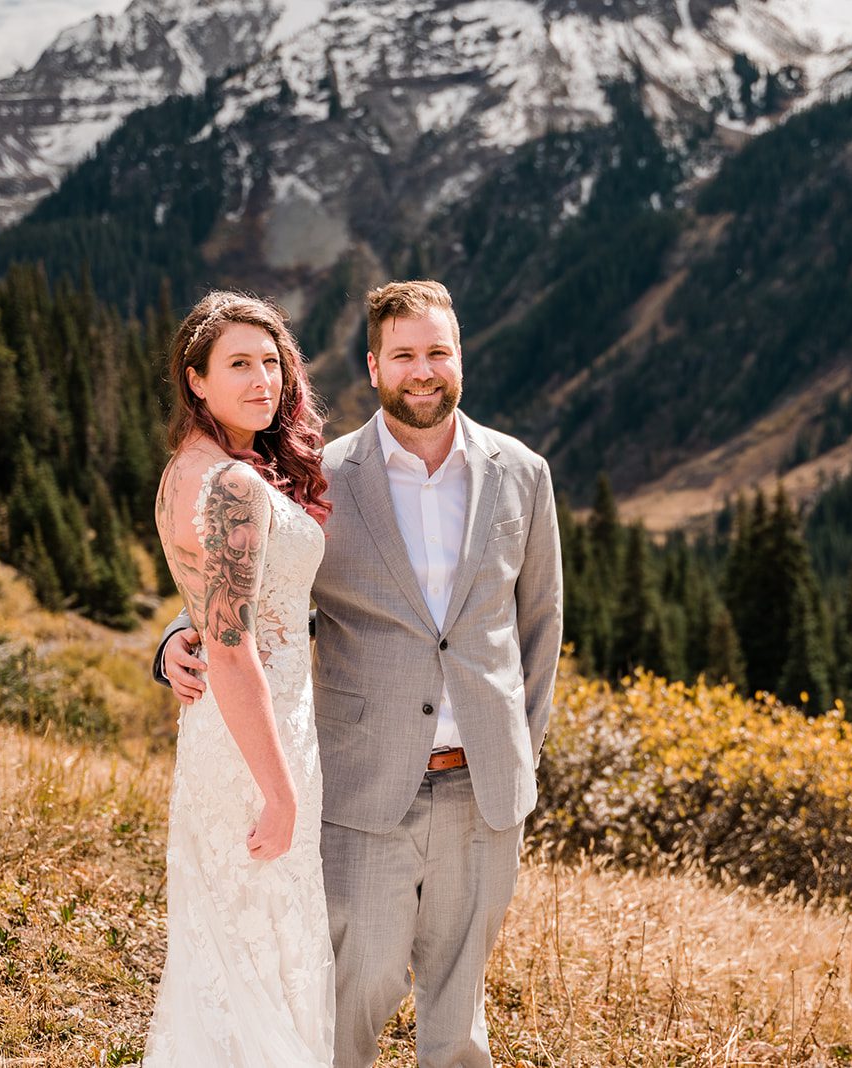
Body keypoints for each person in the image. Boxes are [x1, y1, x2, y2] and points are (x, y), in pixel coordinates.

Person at [155, 279, 563, 1067]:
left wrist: (522, 753)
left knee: (460, 1014)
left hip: (486, 790)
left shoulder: (523, 472)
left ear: (460, 360)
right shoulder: (321, 480)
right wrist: (178, 633)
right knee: (350, 995)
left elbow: (541, 625)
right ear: (373, 366)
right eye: (403, 354)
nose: (423, 369)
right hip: (366, 792)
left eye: (438, 352)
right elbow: (252, 582)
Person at [142, 291, 336, 1066]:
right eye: (238, 365)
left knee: (227, 953)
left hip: (229, 735)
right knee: (261, 959)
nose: (264, 381)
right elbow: (228, 647)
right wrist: (281, 792)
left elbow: (208, 611)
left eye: (270, 362)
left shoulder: (189, 471)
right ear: (195, 380)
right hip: (257, 744)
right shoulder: (229, 484)